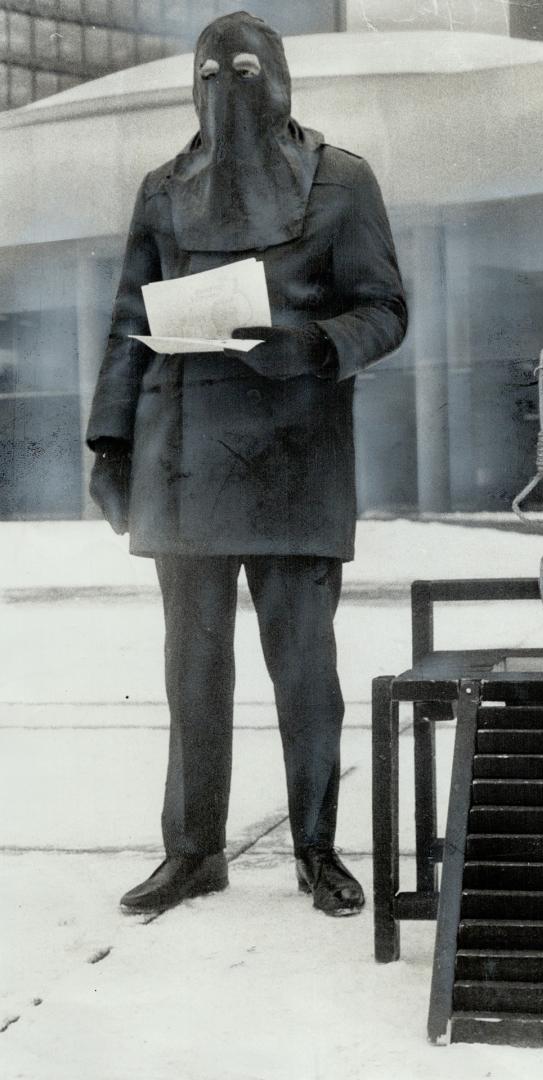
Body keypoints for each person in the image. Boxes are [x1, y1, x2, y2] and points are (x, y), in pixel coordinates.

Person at [86, 11, 407, 916]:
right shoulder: (161, 190)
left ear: (279, 75)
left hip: (295, 458)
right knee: (191, 671)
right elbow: (126, 325)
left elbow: (384, 309)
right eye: (210, 73)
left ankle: (316, 849)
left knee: (305, 670)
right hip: (183, 457)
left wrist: (309, 345)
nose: (228, 88)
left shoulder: (342, 182)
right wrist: (108, 439)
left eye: (245, 70)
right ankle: (193, 853)